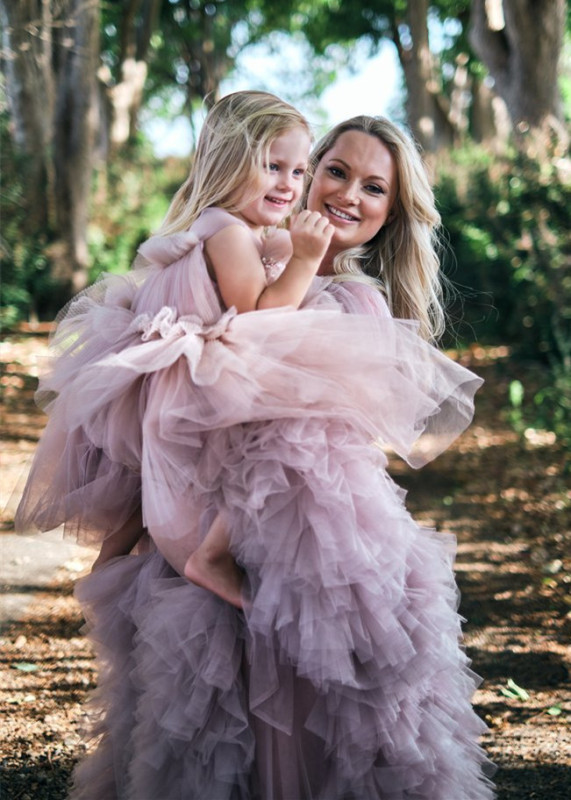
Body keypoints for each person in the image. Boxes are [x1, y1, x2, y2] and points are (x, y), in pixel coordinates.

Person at [16, 102, 495, 799]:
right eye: (332, 172)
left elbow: (300, 425)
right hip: (195, 513)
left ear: (393, 211)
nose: (344, 194)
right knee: (207, 707)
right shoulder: (251, 248)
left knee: (314, 682)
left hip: (299, 533)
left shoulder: (350, 301)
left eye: (373, 188)